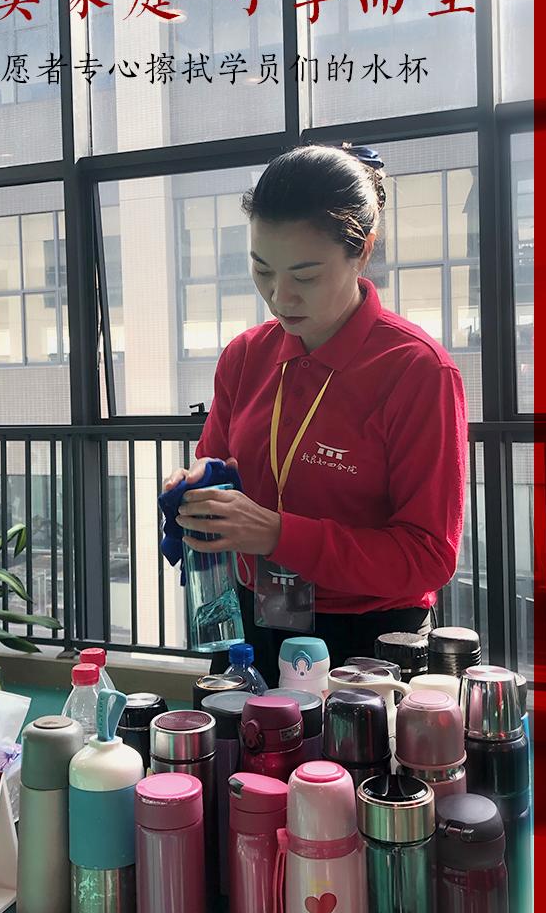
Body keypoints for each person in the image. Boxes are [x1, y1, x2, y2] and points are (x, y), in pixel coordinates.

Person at [163, 143, 468, 685]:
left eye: (305, 276)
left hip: (368, 639)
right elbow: (218, 464)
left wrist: (279, 535)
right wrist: (200, 492)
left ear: (363, 251)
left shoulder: (416, 370)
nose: (280, 297)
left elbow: (427, 556)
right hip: (252, 621)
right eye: (262, 270)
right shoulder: (246, 356)